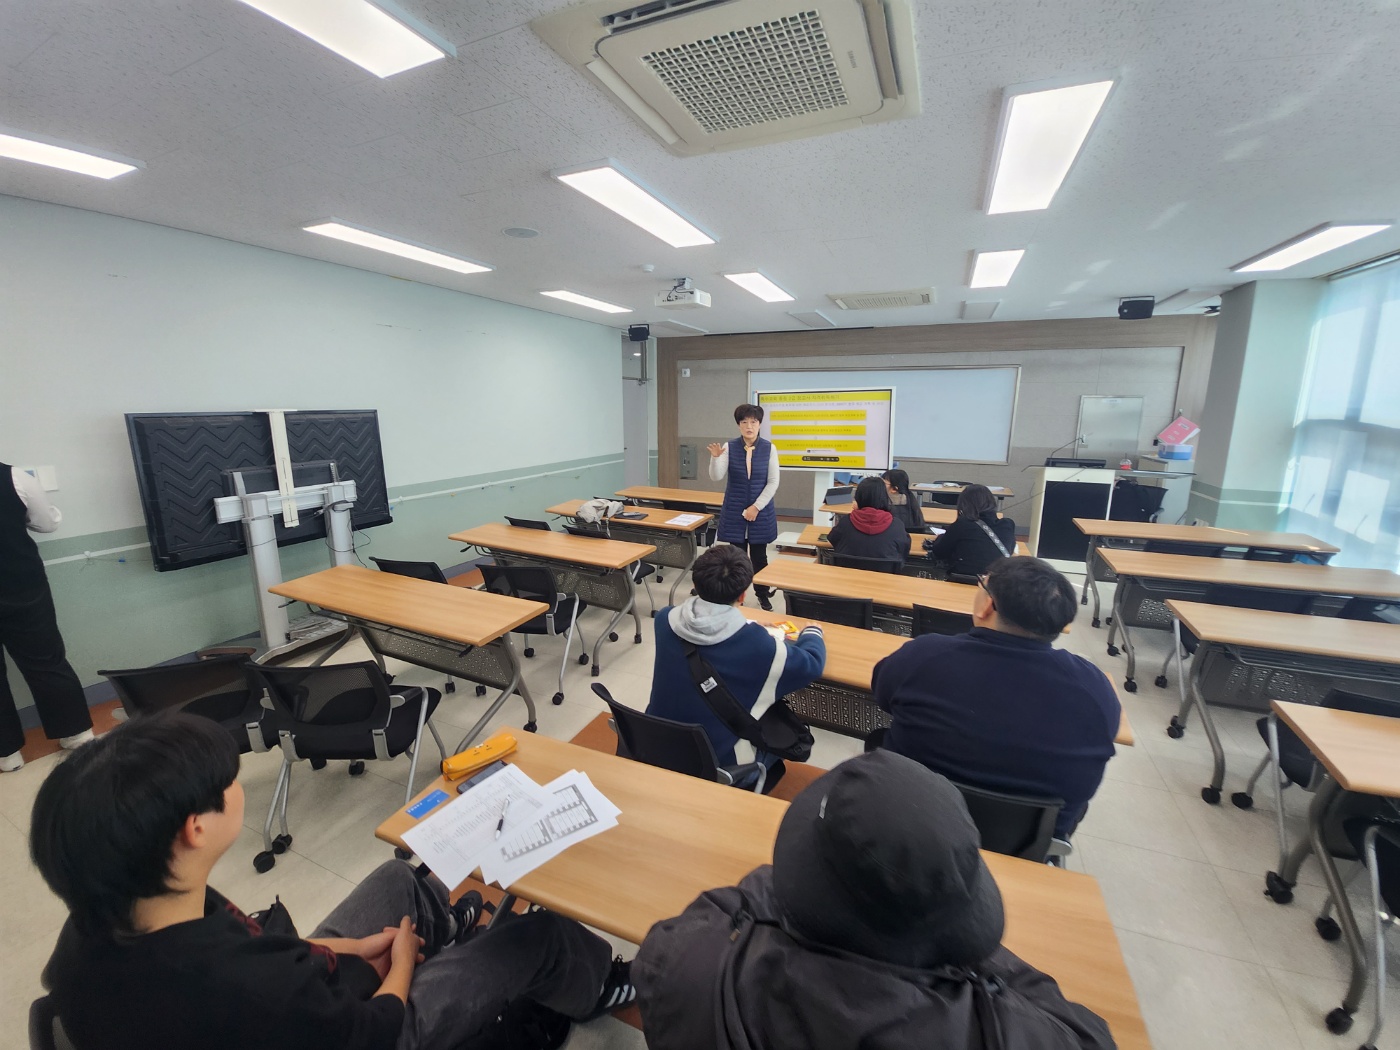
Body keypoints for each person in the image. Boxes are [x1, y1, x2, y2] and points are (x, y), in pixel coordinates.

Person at [30, 712, 636, 1050]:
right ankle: (598, 987)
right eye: (227, 780)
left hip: (287, 1009)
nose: (236, 785)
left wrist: (347, 948)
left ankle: (442, 928)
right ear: (195, 828)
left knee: (397, 880)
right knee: (540, 935)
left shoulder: (110, 918)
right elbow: (376, 1031)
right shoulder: (248, 985)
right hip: (367, 1034)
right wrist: (400, 964)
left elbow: (258, 949)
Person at [631, 750, 1116, 1050]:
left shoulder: (678, 962)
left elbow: (725, 908)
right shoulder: (1017, 1033)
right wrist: (956, 928)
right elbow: (1087, 1035)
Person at [871, 556, 1119, 839]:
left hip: (908, 829)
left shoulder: (923, 655)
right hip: (1026, 846)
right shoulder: (1094, 689)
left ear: (988, 605)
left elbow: (882, 693)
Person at [648, 545, 825, 784]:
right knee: (785, 743)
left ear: (696, 584)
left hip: (655, 743)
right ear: (743, 595)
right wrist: (813, 633)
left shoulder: (664, 619)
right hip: (718, 764)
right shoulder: (761, 647)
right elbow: (812, 664)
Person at [1, 462, 92, 773]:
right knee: (46, 661)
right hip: (21, 586)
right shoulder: (13, 477)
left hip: (21, 586)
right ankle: (77, 736)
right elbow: (47, 523)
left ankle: (7, 755)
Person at [707, 403, 779, 610]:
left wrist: (756, 507)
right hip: (735, 509)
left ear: (760, 424)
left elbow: (773, 482)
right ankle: (737, 595)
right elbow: (716, 476)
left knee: (759, 557)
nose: (749, 426)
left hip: (761, 511)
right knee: (736, 559)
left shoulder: (769, 448)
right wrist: (715, 458)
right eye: (744, 422)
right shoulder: (729, 447)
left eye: (753, 422)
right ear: (739, 425)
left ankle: (762, 594)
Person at [921, 483, 1016, 579]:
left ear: (964, 504)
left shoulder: (962, 524)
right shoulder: (1007, 524)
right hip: (996, 582)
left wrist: (940, 538)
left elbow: (939, 552)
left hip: (963, 578)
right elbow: (1010, 551)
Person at [826, 477, 909, 566]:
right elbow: (904, 550)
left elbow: (833, 540)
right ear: (884, 497)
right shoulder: (897, 526)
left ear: (858, 497)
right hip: (883, 574)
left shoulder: (845, 522)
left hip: (847, 573)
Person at [881, 468, 928, 533]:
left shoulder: (885, 504)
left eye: (883, 483)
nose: (880, 485)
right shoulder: (911, 501)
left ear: (894, 489)